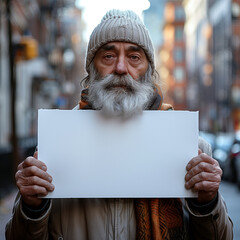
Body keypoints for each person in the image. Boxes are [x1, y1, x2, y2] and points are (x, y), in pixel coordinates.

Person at [6, 9, 233, 240]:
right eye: (108, 56)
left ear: (148, 70)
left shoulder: (191, 149)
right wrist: (32, 207)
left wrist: (208, 203)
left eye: (134, 57)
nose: (121, 68)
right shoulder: (54, 147)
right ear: (92, 68)